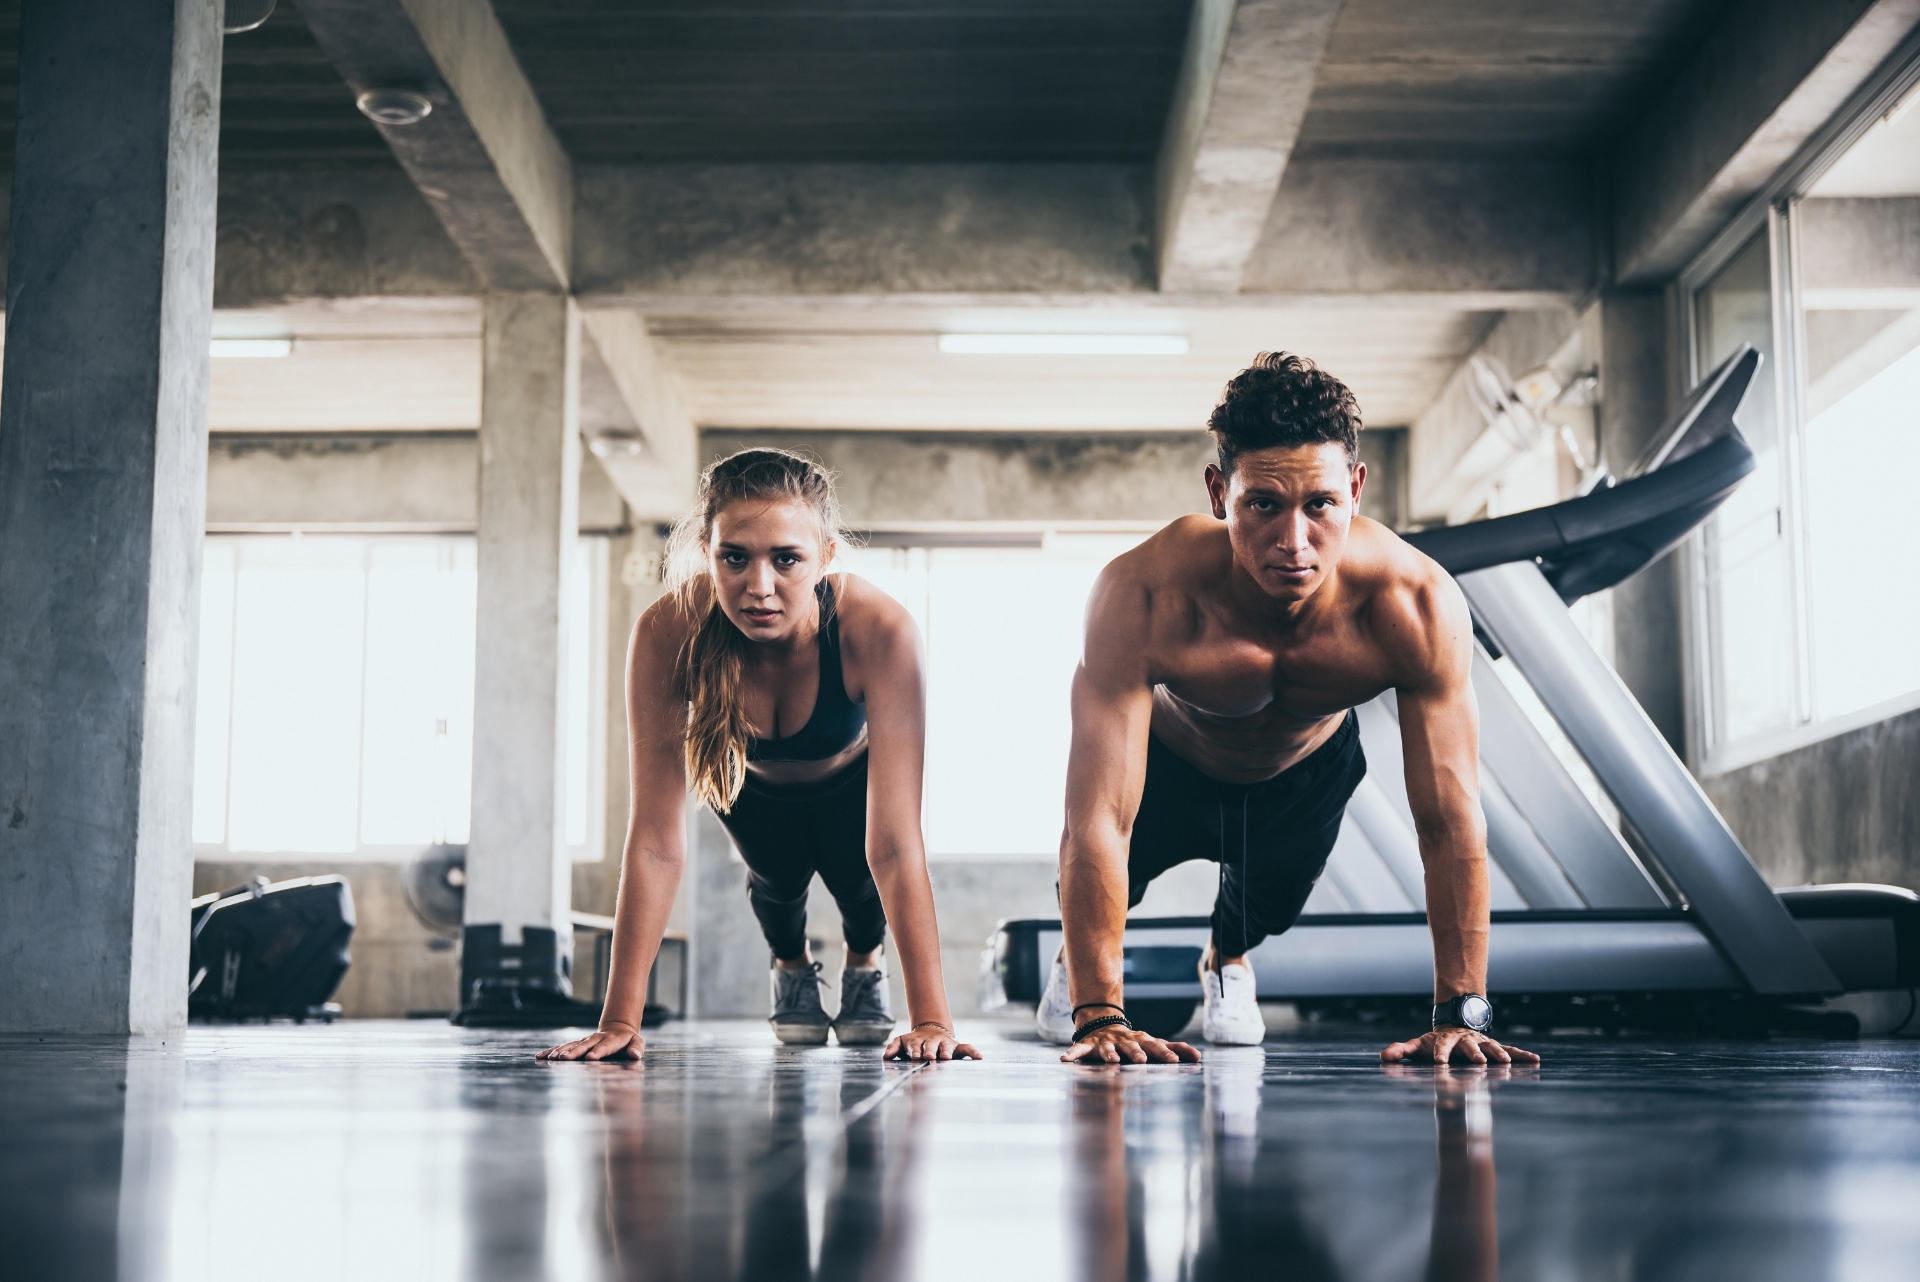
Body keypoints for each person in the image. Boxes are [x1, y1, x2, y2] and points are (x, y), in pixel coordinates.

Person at [1046, 352, 1539, 1068]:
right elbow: (1096, 820)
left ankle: (1226, 960)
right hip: (1172, 762)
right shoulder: (1143, 595)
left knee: (1266, 910)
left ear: (1357, 489)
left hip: (1304, 773)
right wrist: (1099, 1019)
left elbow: (1451, 817)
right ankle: (1077, 971)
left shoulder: (1416, 603)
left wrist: (1461, 1013)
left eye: (1320, 505)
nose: (1294, 542)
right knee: (1093, 882)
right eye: (1264, 505)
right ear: (1220, 493)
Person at [540, 449, 979, 1063]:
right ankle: (791, 967)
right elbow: (655, 841)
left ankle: (863, 967)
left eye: (787, 559)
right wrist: (619, 1019)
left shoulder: (879, 631)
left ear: (825, 556)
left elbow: (897, 845)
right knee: (776, 886)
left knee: (861, 885)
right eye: (735, 558)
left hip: (851, 782)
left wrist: (932, 1018)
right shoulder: (668, 631)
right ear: (708, 553)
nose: (759, 587)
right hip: (754, 791)